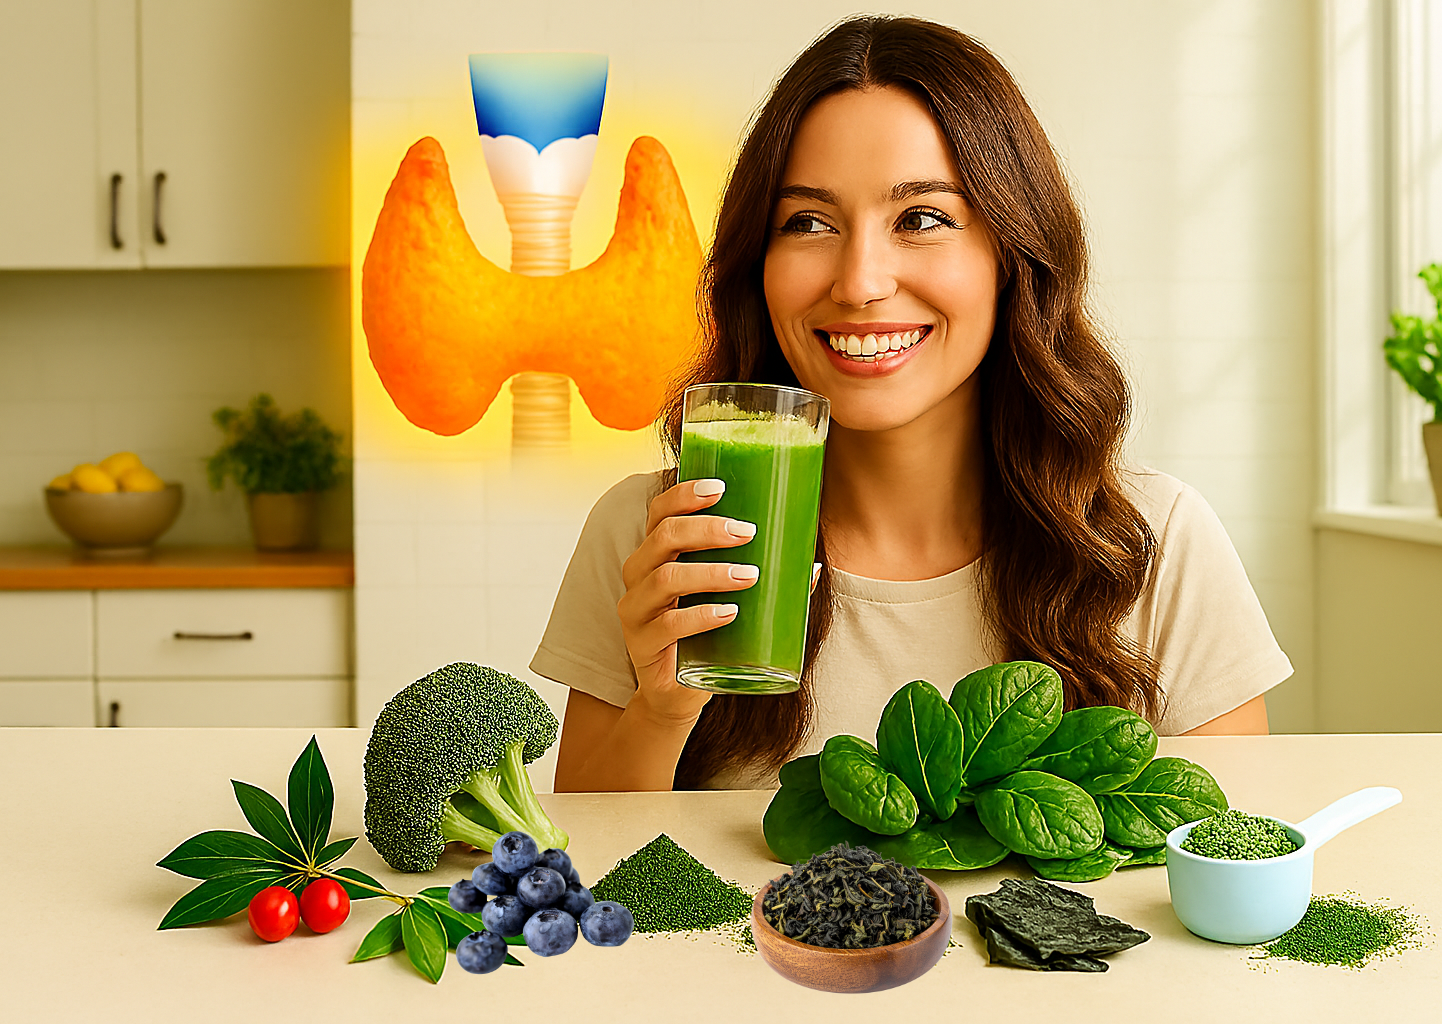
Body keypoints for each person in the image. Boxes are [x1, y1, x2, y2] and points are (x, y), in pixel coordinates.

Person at [532, 15, 1291, 793]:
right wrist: (662, 713)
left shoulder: (1150, 544)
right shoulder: (655, 537)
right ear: (757, 264)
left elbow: (1234, 869)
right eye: (808, 222)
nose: (860, 281)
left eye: (922, 219)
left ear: (1012, 255)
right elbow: (585, 882)